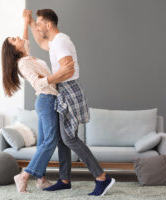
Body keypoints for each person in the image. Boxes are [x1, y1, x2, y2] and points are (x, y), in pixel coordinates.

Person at [24, 9, 116, 196]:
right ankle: (64, 180)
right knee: (61, 139)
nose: (39, 27)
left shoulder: (61, 41)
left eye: (40, 24)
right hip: (62, 91)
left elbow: (68, 69)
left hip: (68, 90)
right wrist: (30, 21)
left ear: (49, 25)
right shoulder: (55, 41)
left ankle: (102, 177)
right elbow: (41, 42)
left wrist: (46, 81)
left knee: (69, 138)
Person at [1, 10, 74, 193]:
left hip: (48, 100)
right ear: (14, 50)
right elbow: (38, 83)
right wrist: (57, 75)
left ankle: (40, 179)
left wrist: (26, 22)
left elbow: (25, 40)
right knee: (50, 141)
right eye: (14, 40)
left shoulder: (27, 56)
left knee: (43, 143)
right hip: (46, 100)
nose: (18, 38)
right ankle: (24, 176)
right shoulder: (23, 63)